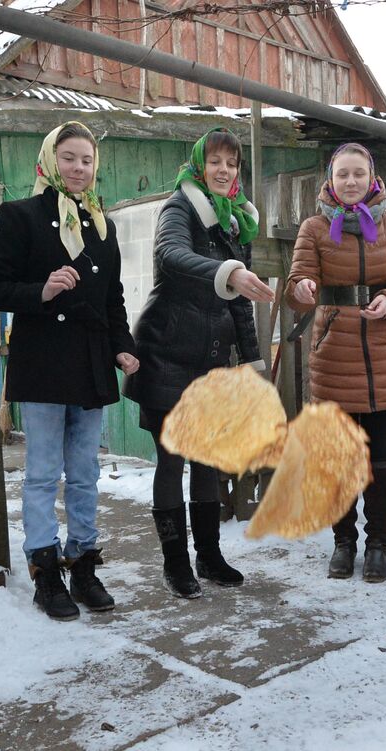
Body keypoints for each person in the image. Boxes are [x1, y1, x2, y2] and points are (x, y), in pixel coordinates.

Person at [0, 121, 139, 622]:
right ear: (50, 161)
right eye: (69, 158)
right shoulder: (19, 216)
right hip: (44, 361)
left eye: (87, 160)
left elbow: (112, 297)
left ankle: (84, 564)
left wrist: (124, 347)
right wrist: (42, 291)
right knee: (44, 473)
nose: (78, 168)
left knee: (86, 473)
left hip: (91, 364)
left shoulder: (101, 224)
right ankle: (45, 571)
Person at [123, 128, 275, 599]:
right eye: (216, 162)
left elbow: (238, 302)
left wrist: (253, 362)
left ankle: (209, 556)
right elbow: (172, 256)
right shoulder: (179, 208)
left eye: (232, 163)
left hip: (210, 362)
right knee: (172, 461)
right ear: (199, 166)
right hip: (166, 354)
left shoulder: (236, 224)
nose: (225, 170)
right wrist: (227, 271)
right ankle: (176, 564)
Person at [286, 143, 386, 583]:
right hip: (333, 355)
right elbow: (295, 285)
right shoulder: (313, 228)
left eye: (358, 175)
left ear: (372, 178)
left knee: (378, 461)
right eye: (343, 175)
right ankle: (343, 544)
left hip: (384, 354)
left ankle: (378, 546)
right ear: (331, 180)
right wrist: (304, 288)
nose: (351, 182)